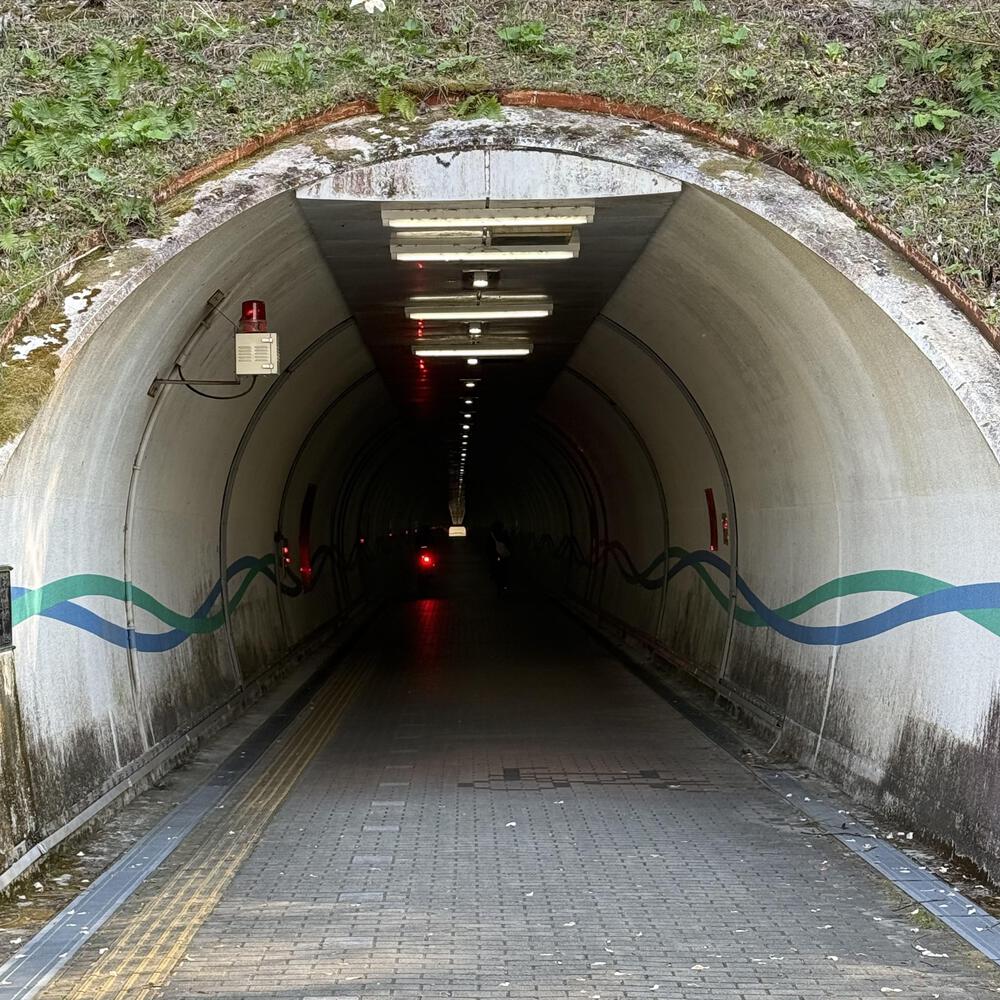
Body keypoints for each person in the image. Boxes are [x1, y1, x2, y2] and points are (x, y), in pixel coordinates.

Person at [489, 520, 512, 594]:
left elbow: (489, 547)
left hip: (496, 557)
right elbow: (509, 545)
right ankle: (505, 587)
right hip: (505, 557)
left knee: (498, 572)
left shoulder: (492, 535)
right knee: (505, 572)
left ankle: (499, 587)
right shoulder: (505, 534)